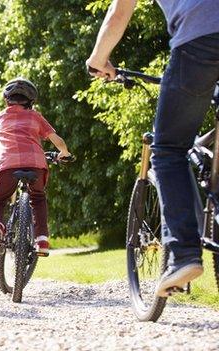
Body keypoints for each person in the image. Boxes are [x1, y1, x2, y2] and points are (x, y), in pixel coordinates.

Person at [86, 0, 219, 296]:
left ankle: (183, 253)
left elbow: (118, 15)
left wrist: (98, 59)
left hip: (200, 40)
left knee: (169, 150)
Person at [0, 78, 71, 256]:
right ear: (31, 101)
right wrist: (65, 153)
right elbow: (57, 140)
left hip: (6, 166)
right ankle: (42, 239)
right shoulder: (35, 116)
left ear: (7, 100)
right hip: (35, 164)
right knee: (37, 198)